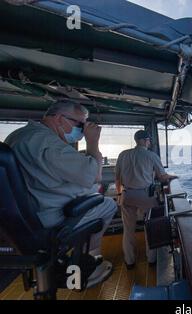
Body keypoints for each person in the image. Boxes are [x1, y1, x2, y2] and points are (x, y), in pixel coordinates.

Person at [5, 100, 116, 287]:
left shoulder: (19, 136)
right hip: (51, 217)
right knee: (108, 204)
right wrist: (92, 142)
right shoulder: (48, 143)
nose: (82, 130)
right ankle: (84, 262)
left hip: (25, 217)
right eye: (80, 124)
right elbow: (95, 175)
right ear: (58, 118)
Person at [115, 130, 177, 269]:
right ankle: (151, 259)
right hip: (145, 196)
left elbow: (117, 178)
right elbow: (162, 177)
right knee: (149, 227)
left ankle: (129, 261)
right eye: (149, 140)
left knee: (128, 230)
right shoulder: (151, 155)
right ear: (143, 140)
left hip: (126, 195)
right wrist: (173, 177)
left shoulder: (123, 154)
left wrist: (119, 196)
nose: (149, 142)